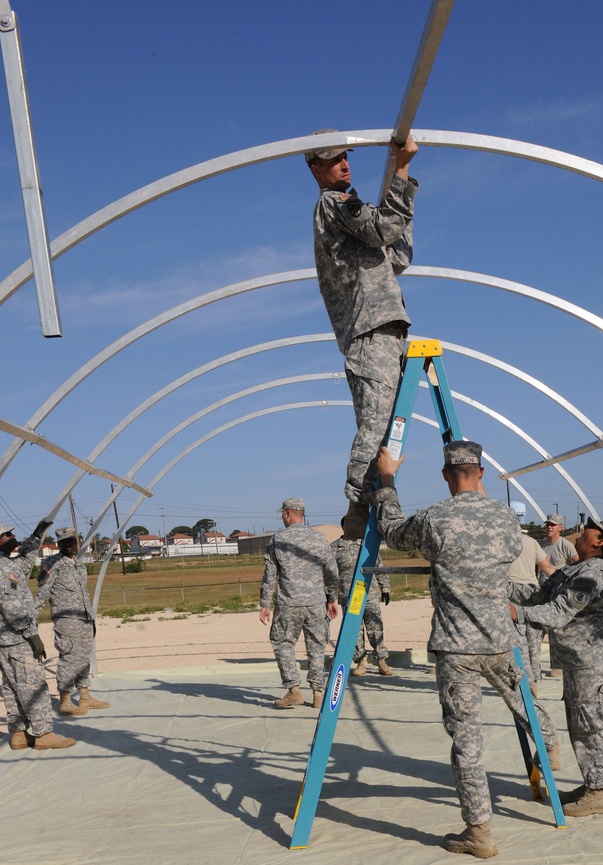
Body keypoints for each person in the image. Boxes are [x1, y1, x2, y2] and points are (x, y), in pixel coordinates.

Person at [375, 441, 560, 859]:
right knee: (523, 700)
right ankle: (549, 745)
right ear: (482, 473)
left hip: (456, 647)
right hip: (500, 639)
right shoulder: (504, 518)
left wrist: (388, 479)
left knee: (467, 739)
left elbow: (393, 532)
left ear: (445, 475)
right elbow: (508, 552)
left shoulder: (436, 518)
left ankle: (479, 831)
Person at [307, 128, 419, 539]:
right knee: (376, 425)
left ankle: (374, 498)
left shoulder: (347, 209)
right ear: (316, 168)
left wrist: (398, 185)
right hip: (370, 330)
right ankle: (359, 505)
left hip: (384, 328)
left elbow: (397, 255)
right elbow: (383, 229)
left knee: (388, 424)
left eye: (346, 156)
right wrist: (402, 171)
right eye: (334, 159)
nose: (344, 163)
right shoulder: (335, 202)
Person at [509, 515, 603, 819]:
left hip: (592, 664)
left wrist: (518, 615)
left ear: (599, 542)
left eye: (590, 528)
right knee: (579, 725)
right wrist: (504, 588)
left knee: (591, 727)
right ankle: (591, 785)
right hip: (578, 662)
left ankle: (598, 793)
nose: (583, 530)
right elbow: (540, 595)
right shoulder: (575, 569)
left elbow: (558, 612)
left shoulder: (592, 574)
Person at [0, 521, 75, 751]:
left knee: (12, 686)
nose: (14, 536)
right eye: (9, 534)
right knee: (33, 685)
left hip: (3, 639)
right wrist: (32, 635)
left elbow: (24, 562)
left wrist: (36, 536)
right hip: (17, 638)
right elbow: (13, 607)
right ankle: (44, 734)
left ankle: (19, 734)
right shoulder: (2, 568)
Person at [259, 498, 340, 710]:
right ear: (301, 514)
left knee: (282, 643)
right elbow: (332, 571)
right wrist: (332, 599)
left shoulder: (278, 539)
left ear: (287, 514)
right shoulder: (319, 538)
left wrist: (265, 603)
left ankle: (293, 690)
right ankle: (318, 693)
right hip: (316, 602)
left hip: (289, 603)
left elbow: (270, 575)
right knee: (317, 647)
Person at [36, 527, 109, 716]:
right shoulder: (51, 564)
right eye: (64, 542)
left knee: (84, 658)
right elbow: (42, 594)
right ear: (58, 544)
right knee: (69, 658)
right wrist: (31, 621)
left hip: (85, 618)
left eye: (71, 541)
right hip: (67, 620)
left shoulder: (78, 564)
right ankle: (65, 700)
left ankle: (84, 696)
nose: (69, 544)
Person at [331, 519, 393, 677]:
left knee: (375, 628)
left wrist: (384, 588)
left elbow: (378, 566)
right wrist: (329, 595)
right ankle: (360, 662)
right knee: (354, 630)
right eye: (350, 524)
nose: (353, 527)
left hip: (368, 593)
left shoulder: (366, 545)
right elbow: (329, 573)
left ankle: (381, 661)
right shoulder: (334, 548)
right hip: (349, 595)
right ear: (343, 526)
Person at [507, 533, 554, 694]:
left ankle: (527, 681)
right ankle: (535, 678)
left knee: (518, 640)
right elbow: (547, 567)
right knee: (534, 640)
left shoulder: (500, 540)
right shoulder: (531, 541)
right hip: (532, 591)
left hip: (510, 591)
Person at [539, 514, 578, 679]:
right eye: (548, 524)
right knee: (537, 628)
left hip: (558, 593)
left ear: (560, 527)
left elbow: (577, 562)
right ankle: (532, 666)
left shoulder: (566, 545)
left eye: (553, 525)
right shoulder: (539, 545)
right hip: (541, 591)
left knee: (557, 630)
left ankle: (557, 666)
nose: (549, 527)